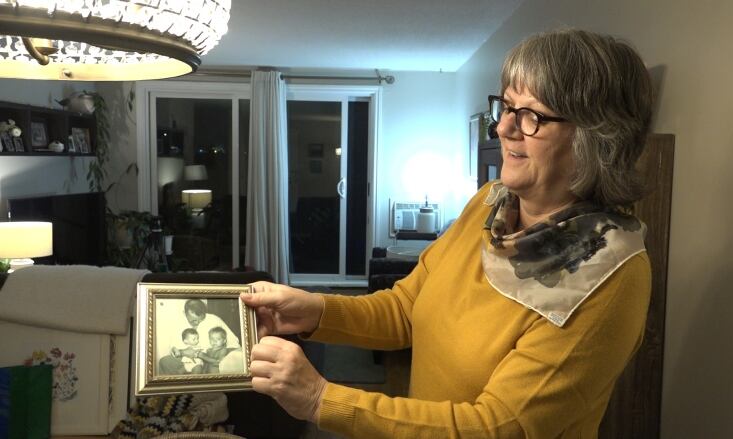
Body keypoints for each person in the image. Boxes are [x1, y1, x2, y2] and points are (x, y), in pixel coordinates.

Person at [241, 28, 654, 438]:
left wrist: (319, 399)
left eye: (532, 116)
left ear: (596, 138)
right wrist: (311, 311)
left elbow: (497, 428)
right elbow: (406, 308)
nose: (504, 129)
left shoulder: (609, 275)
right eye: (506, 107)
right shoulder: (491, 203)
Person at [158, 299, 241, 375]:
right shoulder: (179, 323)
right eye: (193, 320)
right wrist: (182, 352)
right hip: (187, 360)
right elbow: (174, 349)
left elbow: (235, 344)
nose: (197, 323)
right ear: (184, 313)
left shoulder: (214, 320)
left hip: (210, 358)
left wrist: (214, 353)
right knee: (164, 361)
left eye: (200, 319)